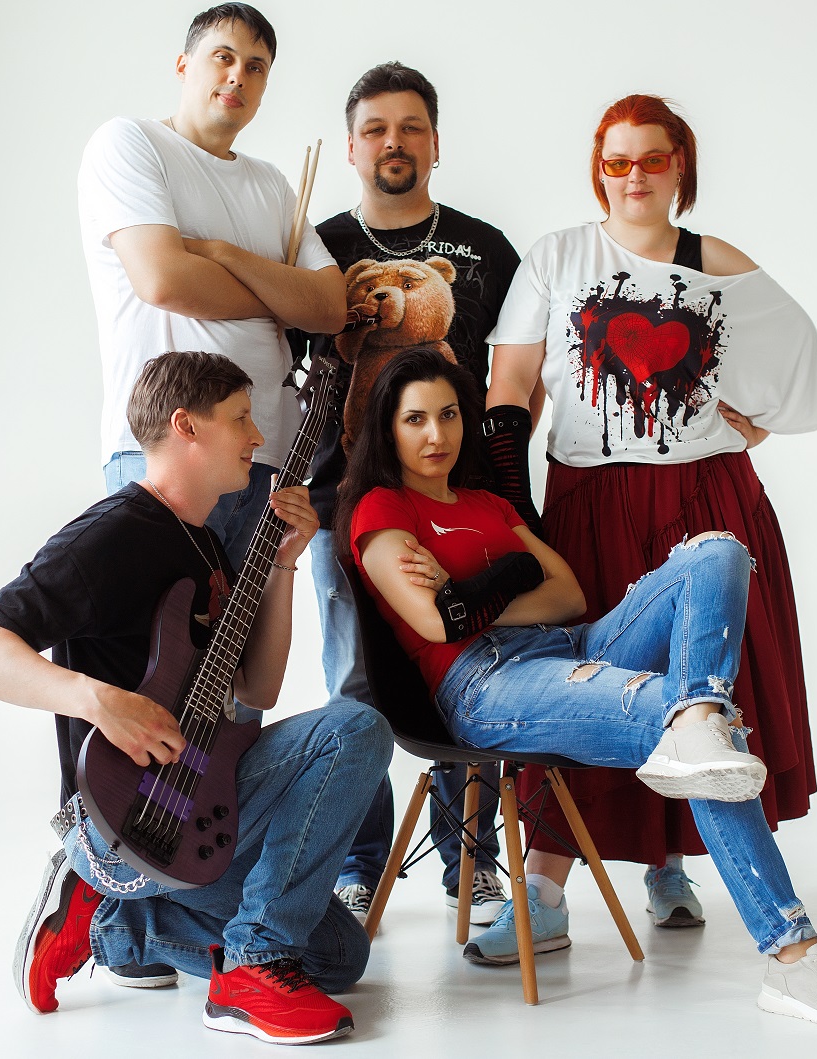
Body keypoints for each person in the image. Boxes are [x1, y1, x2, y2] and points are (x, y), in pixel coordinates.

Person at [335, 347, 817, 1030]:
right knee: (692, 732)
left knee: (717, 550)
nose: (435, 434)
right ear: (387, 429)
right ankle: (791, 952)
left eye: (448, 415)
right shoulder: (380, 507)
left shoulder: (486, 502)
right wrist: (511, 574)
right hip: (485, 683)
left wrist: (476, 591)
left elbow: (567, 595)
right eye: (415, 419)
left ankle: (698, 713)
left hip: (572, 645)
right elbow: (436, 621)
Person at [0, 351, 392, 1046]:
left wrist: (282, 565)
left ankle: (113, 924)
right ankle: (249, 968)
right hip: (122, 815)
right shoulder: (109, 535)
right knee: (357, 726)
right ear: (187, 426)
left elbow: (257, 687)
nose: (257, 437)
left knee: (342, 956)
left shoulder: (209, 547)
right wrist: (98, 700)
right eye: (241, 418)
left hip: (199, 796)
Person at [483, 93, 817, 931]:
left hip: (703, 494)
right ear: (597, 170)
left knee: (701, 689)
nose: (634, 176)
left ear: (679, 165)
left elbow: (792, 353)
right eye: (617, 161)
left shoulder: (715, 260)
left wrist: (755, 420)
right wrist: (508, 503)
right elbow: (510, 385)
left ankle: (668, 864)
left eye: (652, 159)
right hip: (587, 498)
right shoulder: (558, 255)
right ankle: (542, 890)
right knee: (582, 680)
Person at [75, 3, 344, 983]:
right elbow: (160, 279)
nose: (238, 76)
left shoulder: (269, 185)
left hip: (261, 461)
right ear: (184, 63)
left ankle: (177, 905)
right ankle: (104, 891)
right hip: (165, 460)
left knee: (228, 715)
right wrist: (269, 283)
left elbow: (330, 307)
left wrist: (223, 256)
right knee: (154, 691)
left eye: (257, 64)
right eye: (222, 56)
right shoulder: (129, 144)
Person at [290, 61, 522, 925]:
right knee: (354, 685)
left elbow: (518, 378)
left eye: (411, 127)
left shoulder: (486, 249)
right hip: (341, 505)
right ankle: (356, 862)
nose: (395, 142)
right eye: (376, 129)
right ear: (351, 147)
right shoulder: (314, 250)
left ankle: (474, 864)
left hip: (460, 500)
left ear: (434, 142)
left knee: (471, 669)